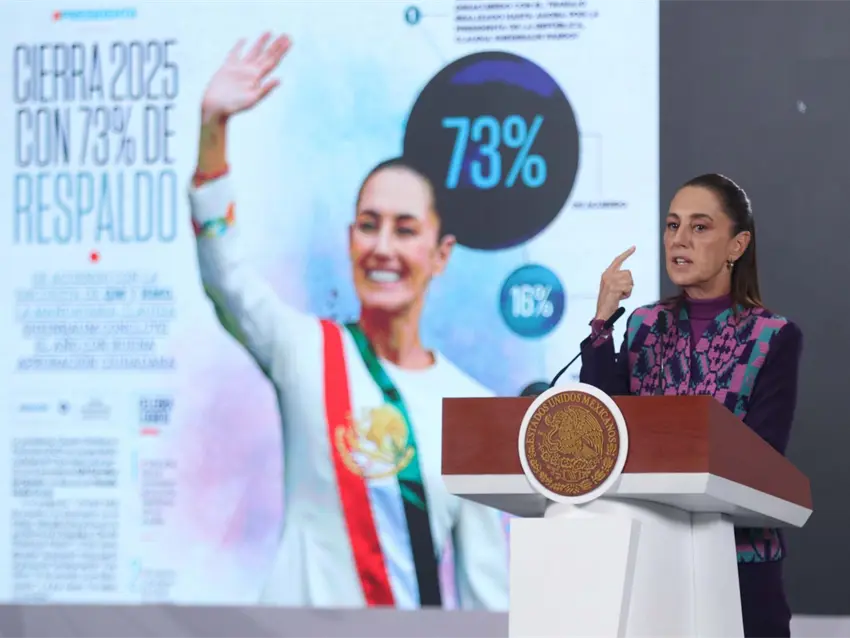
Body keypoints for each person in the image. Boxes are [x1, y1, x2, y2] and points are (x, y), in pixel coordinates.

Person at [187, 33, 509, 610]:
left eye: (405, 230)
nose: (383, 247)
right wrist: (213, 129)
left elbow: (486, 596)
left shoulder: (474, 411)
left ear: (441, 254)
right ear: (349, 238)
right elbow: (225, 276)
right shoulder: (304, 350)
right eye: (368, 224)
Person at [579, 173, 803, 638]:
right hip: (652, 560)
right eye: (672, 225)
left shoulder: (772, 337)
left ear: (737, 245)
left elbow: (762, 459)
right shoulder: (644, 325)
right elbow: (602, 427)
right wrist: (602, 320)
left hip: (739, 567)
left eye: (699, 227)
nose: (679, 239)